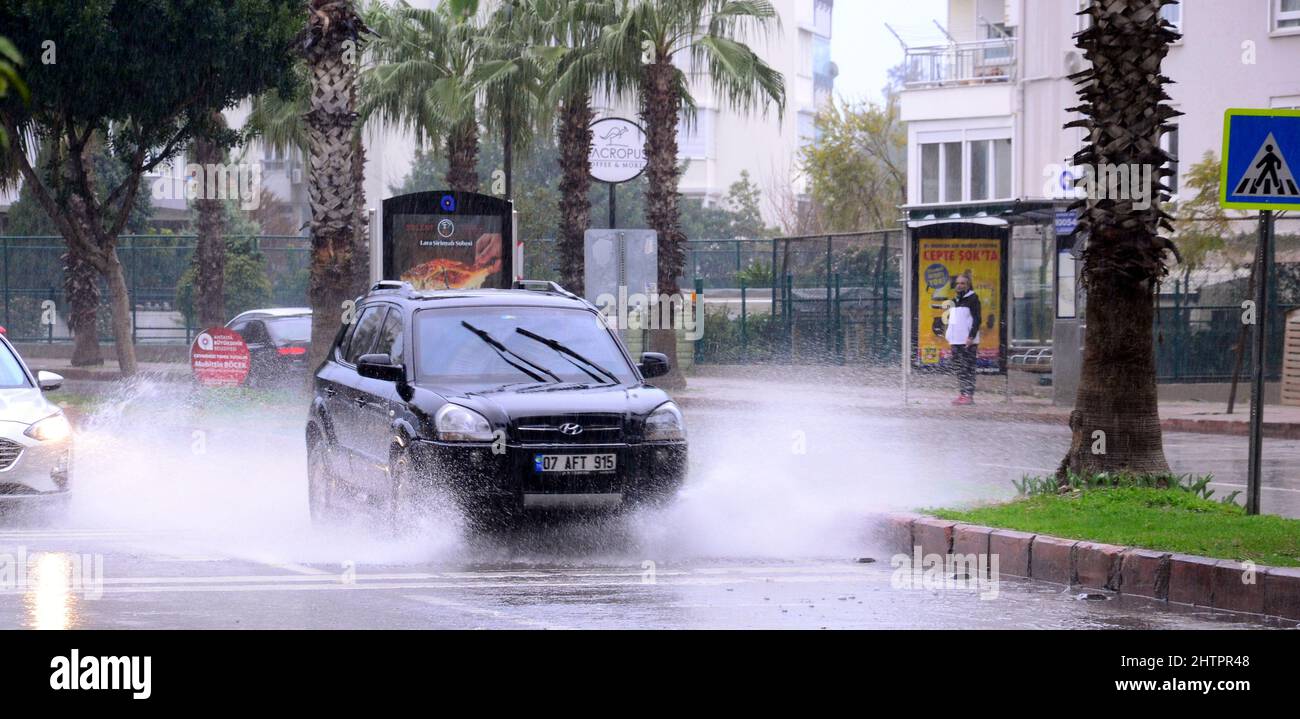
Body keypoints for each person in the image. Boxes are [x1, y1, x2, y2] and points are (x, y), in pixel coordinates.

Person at [946, 272, 981, 405]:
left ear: (968, 285)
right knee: (960, 368)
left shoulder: (973, 299)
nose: (959, 286)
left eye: (963, 283)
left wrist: (971, 336)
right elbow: (953, 321)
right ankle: (962, 393)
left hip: (967, 341)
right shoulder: (955, 300)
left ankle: (969, 395)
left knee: (968, 367)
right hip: (956, 340)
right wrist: (949, 336)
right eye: (958, 283)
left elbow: (977, 319)